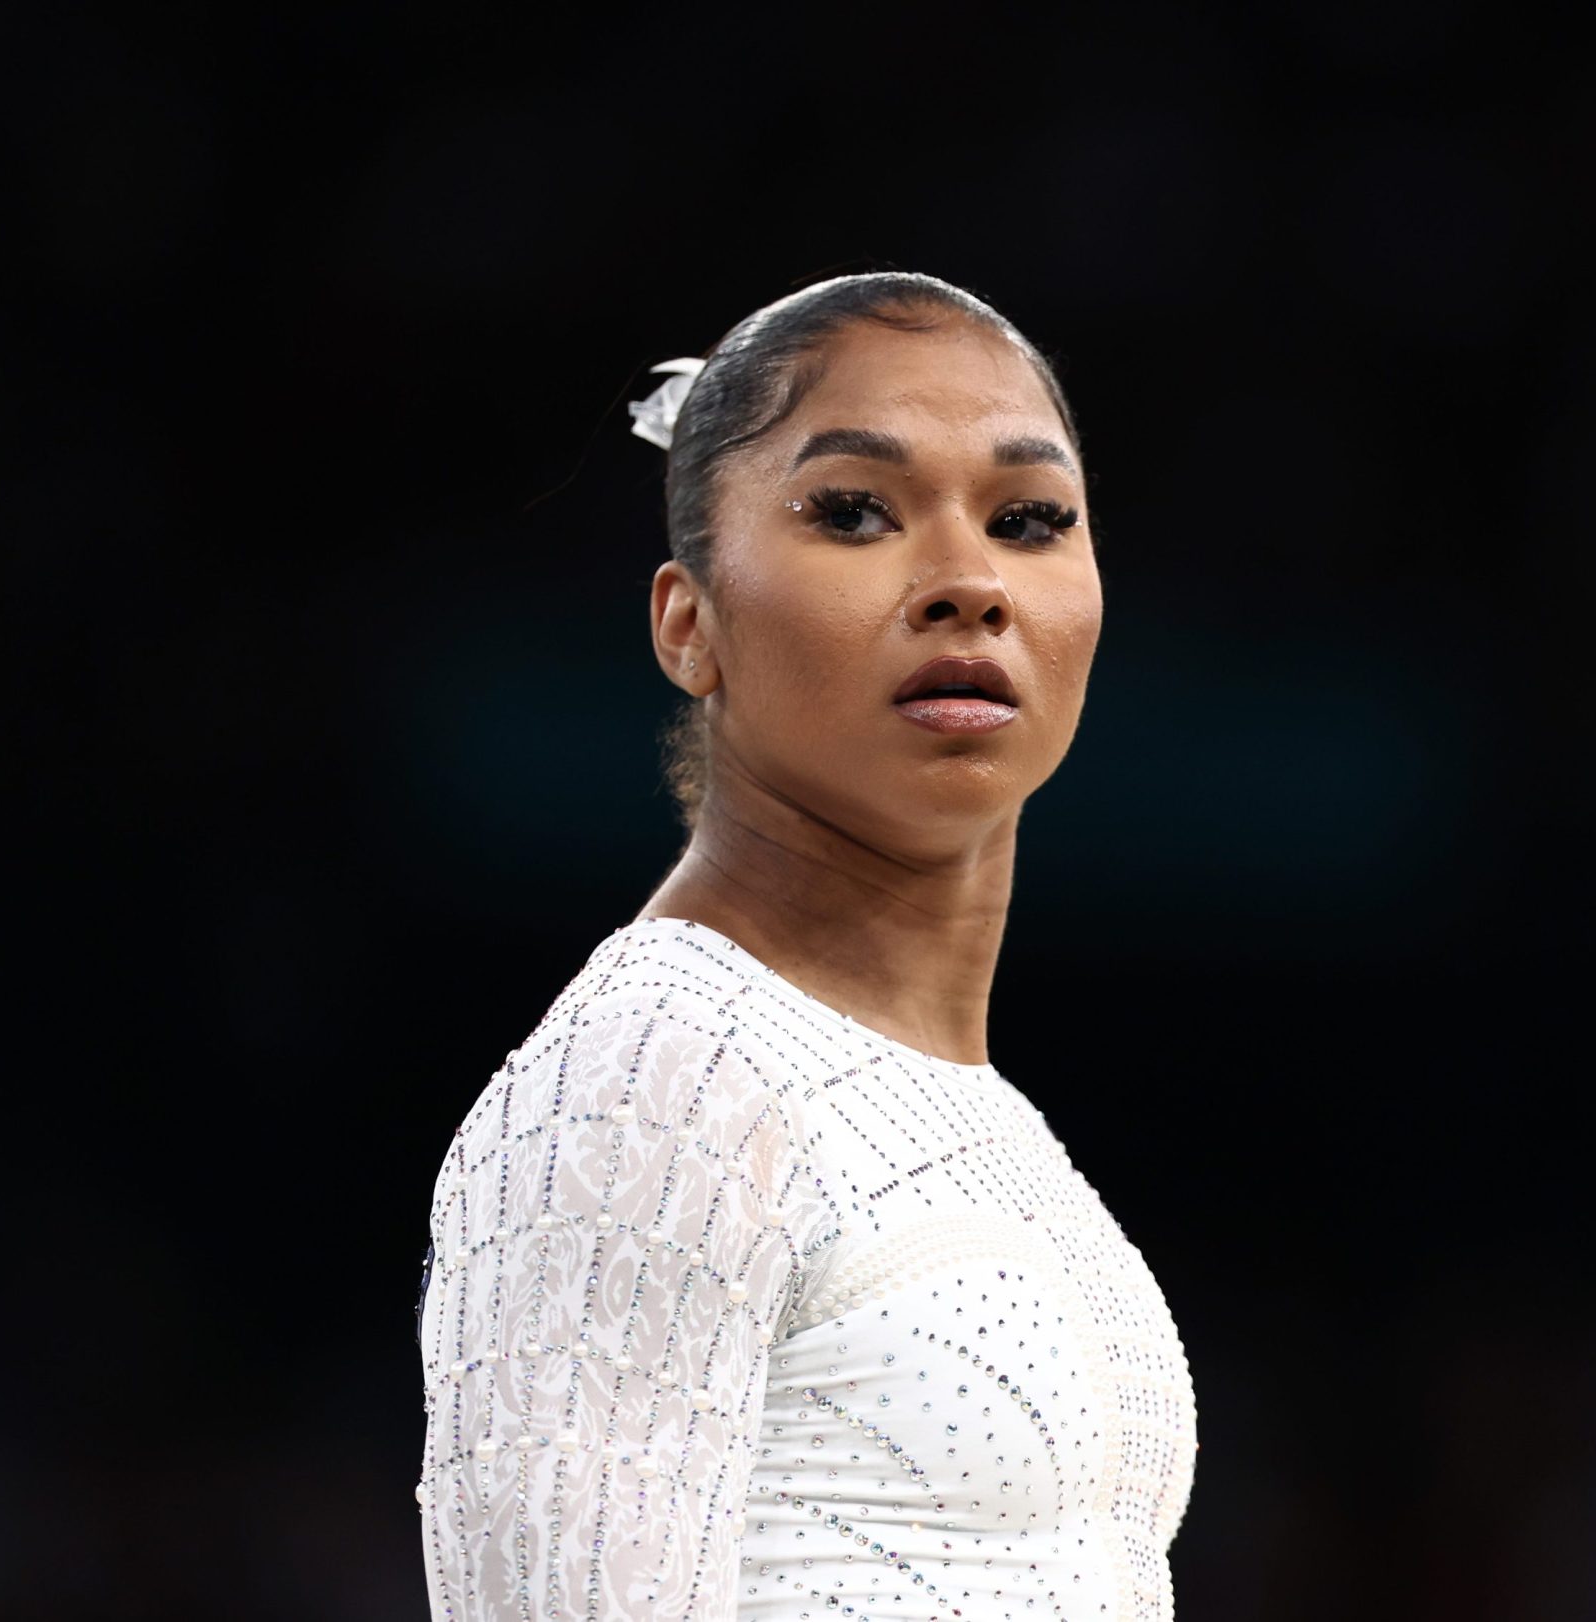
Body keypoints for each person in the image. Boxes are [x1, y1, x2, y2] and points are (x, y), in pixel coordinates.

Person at [414, 272, 1198, 1620]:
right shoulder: (655, 1074)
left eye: (1028, 519)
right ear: (689, 622)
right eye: (853, 512)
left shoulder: (989, 1125)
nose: (966, 582)